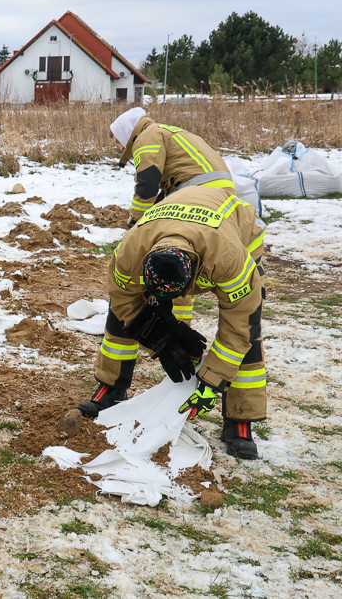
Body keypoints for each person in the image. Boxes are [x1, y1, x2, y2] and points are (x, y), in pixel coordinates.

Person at [78, 184, 267, 460]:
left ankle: (239, 420)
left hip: (239, 231)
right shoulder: (128, 252)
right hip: (172, 226)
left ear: (192, 276)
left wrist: (211, 381)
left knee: (249, 332)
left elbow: (238, 323)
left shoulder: (229, 258)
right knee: (119, 316)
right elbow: (123, 300)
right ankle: (112, 386)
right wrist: (161, 338)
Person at [109, 106, 235, 324]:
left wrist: (136, 225)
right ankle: (179, 323)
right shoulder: (166, 131)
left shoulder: (147, 136)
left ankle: (170, 326)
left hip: (198, 192)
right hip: (216, 196)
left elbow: (147, 183)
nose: (119, 147)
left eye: (118, 141)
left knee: (168, 251)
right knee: (184, 258)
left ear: (126, 134)